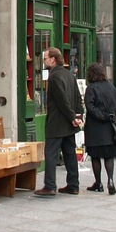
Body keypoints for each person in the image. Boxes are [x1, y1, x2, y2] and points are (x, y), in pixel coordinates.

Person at [34, 47, 83, 197]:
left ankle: (50, 186)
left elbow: (62, 101)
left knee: (50, 153)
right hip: (68, 124)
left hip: (57, 123)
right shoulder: (69, 75)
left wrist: (72, 117)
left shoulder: (54, 77)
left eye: (45, 58)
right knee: (69, 154)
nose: (44, 61)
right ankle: (73, 185)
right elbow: (77, 97)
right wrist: (77, 116)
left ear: (53, 59)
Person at [83, 62, 116, 194]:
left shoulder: (91, 88)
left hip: (95, 127)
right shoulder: (112, 87)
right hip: (109, 127)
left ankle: (98, 183)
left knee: (95, 156)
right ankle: (110, 180)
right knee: (109, 156)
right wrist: (109, 116)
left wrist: (101, 116)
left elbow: (90, 106)